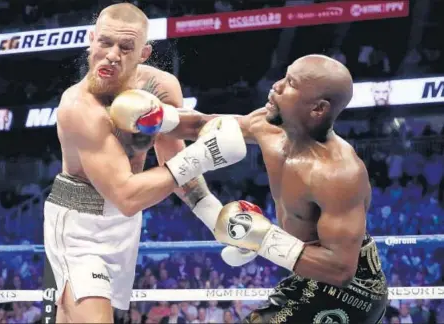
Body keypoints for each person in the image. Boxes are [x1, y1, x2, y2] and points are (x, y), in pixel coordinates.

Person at [126, 54, 388, 323]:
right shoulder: (266, 125)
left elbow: (340, 270)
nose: (276, 85)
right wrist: (155, 116)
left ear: (317, 109)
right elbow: (202, 124)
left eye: (291, 83)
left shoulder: (338, 173)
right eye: (284, 76)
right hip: (306, 277)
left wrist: (261, 238)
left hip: (353, 291)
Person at [43, 3, 247, 323]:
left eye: (125, 47)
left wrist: (216, 220)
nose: (112, 54)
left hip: (126, 224)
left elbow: (175, 163)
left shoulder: (160, 88)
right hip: (79, 222)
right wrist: (205, 153)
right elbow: (125, 196)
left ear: (144, 53)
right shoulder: (79, 106)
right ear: (91, 39)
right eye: (105, 42)